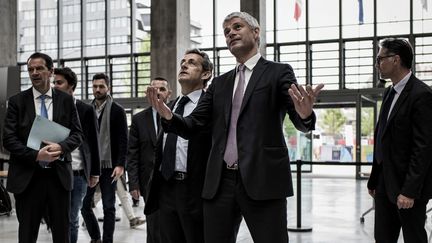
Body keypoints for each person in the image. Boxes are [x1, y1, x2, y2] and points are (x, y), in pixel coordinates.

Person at [147, 12, 323, 243]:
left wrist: (305, 114)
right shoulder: (220, 83)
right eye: (226, 31)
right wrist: (169, 116)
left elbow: (299, 118)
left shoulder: (278, 72)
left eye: (237, 27)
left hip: (263, 179)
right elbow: (194, 124)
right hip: (220, 184)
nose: (231, 33)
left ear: (256, 32)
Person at [2, 52, 83, 243]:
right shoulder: (17, 102)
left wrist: (61, 147)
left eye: (39, 68)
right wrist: (36, 155)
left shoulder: (66, 100)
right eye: (30, 69)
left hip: (58, 178)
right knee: (27, 235)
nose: (34, 73)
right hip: (28, 179)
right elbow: (9, 140)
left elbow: (78, 134)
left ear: (51, 71)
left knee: (62, 234)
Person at [367, 38, 432, 243]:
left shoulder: (421, 94)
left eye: (380, 58)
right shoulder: (389, 92)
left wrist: (409, 191)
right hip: (384, 185)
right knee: (383, 238)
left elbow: (423, 148)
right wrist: (375, 178)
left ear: (396, 60)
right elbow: (383, 137)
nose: (377, 63)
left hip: (408, 190)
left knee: (414, 238)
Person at [145, 49, 213, 243]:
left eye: (192, 63)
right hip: (166, 187)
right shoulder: (172, 105)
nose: (183, 65)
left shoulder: (211, 104)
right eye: (183, 61)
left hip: (195, 190)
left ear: (206, 74)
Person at [53, 67, 101, 243]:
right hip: (55, 172)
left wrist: (94, 172)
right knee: (58, 220)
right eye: (54, 83)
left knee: (72, 219)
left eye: (59, 82)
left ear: (71, 86)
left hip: (78, 174)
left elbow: (94, 143)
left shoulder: (85, 110)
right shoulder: (51, 109)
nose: (55, 86)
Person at [81, 73, 128, 243]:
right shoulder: (86, 110)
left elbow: (124, 140)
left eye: (101, 86)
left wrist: (120, 164)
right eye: (95, 86)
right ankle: (96, 238)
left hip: (110, 166)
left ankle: (107, 240)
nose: (98, 90)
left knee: (109, 206)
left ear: (108, 88)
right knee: (84, 205)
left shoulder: (117, 110)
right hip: (91, 165)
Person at [127, 77, 172, 243]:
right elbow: (132, 153)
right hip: (148, 181)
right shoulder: (139, 119)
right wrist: (133, 183)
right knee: (153, 224)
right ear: (147, 93)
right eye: (154, 89)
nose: (158, 93)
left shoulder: (177, 115)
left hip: (173, 179)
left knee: (172, 224)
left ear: (169, 93)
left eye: (162, 89)